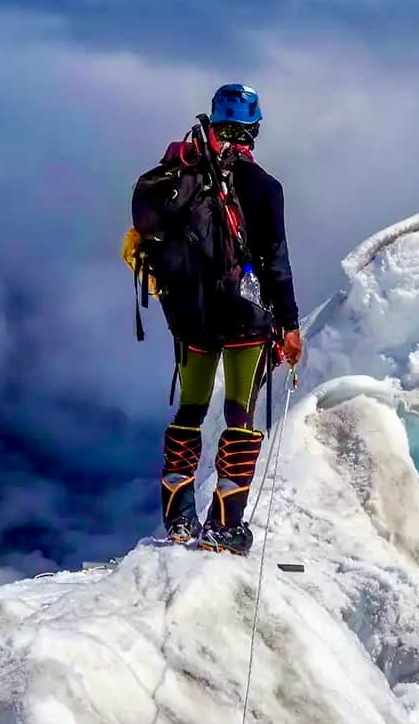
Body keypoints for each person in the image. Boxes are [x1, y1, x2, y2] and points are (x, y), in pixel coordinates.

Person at [122, 83, 303, 555]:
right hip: (244, 317)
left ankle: (179, 520)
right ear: (253, 130)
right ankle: (224, 527)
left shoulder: (176, 178)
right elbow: (275, 263)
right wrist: (289, 326)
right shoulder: (263, 187)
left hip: (189, 318)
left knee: (190, 410)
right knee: (238, 415)